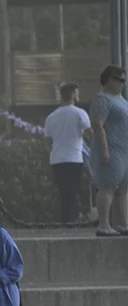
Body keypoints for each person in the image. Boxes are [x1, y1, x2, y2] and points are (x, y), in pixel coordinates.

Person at [89, 65, 128, 236]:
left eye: (123, 80)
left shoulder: (121, 99)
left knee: (122, 189)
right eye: (117, 79)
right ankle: (104, 224)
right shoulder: (102, 99)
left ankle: (123, 224)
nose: (121, 83)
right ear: (107, 80)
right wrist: (105, 150)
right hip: (110, 149)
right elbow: (98, 125)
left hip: (124, 149)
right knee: (108, 186)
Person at [45, 83, 91, 223]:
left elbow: (47, 141)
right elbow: (90, 132)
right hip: (74, 158)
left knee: (64, 192)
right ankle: (72, 218)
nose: (78, 96)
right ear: (72, 95)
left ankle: (66, 218)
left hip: (57, 159)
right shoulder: (79, 113)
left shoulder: (51, 117)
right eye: (77, 94)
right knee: (74, 191)